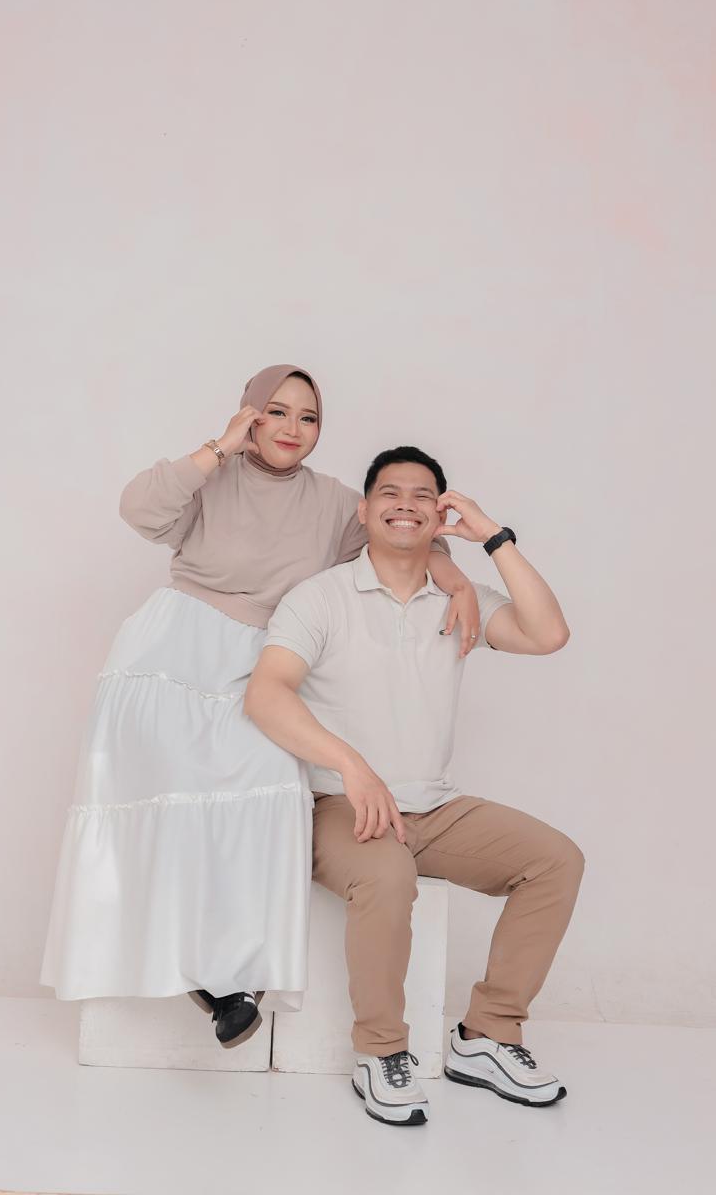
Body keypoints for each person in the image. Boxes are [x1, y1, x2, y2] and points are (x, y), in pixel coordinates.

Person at [40, 373, 480, 1049]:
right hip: (173, 654)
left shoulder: (334, 501)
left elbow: (404, 537)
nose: (292, 429)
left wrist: (457, 581)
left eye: (308, 418)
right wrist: (220, 447)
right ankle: (168, 955)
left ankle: (233, 976)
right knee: (166, 796)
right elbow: (139, 509)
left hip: (262, 661)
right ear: (250, 415)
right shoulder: (211, 478)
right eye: (276, 412)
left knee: (270, 789)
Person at [244, 445, 583, 1122]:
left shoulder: (458, 601)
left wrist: (492, 537)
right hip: (339, 806)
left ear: (441, 514)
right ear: (364, 510)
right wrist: (352, 766)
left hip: (433, 807)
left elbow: (548, 634)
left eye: (423, 494)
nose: (406, 503)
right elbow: (265, 694)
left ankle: (486, 1036)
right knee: (388, 873)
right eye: (390, 493)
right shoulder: (321, 597)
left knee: (555, 861)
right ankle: (379, 1053)